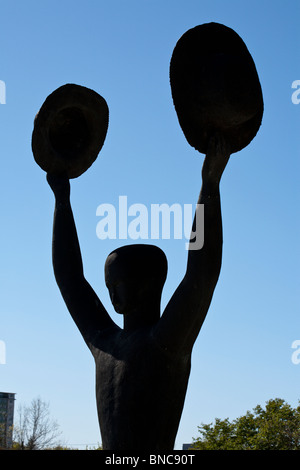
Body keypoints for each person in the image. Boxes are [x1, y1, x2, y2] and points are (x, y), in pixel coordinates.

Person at [47, 133, 230, 450]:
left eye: (117, 285)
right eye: (108, 288)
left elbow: (202, 271)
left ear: (149, 285)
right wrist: (62, 200)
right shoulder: (106, 344)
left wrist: (209, 186)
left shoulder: (166, 342)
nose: (112, 297)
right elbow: (70, 278)